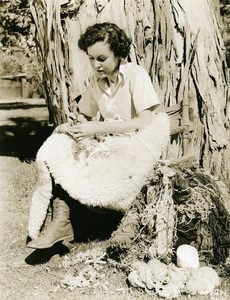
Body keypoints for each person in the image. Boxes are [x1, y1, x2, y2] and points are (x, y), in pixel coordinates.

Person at [26, 22, 161, 249]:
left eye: (102, 58)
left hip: (137, 149)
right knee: (60, 147)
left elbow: (144, 122)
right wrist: (75, 125)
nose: (96, 65)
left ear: (117, 53)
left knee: (84, 155)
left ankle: (67, 222)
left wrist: (96, 129)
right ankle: (60, 222)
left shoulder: (136, 76)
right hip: (109, 143)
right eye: (91, 58)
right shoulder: (97, 83)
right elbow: (86, 115)